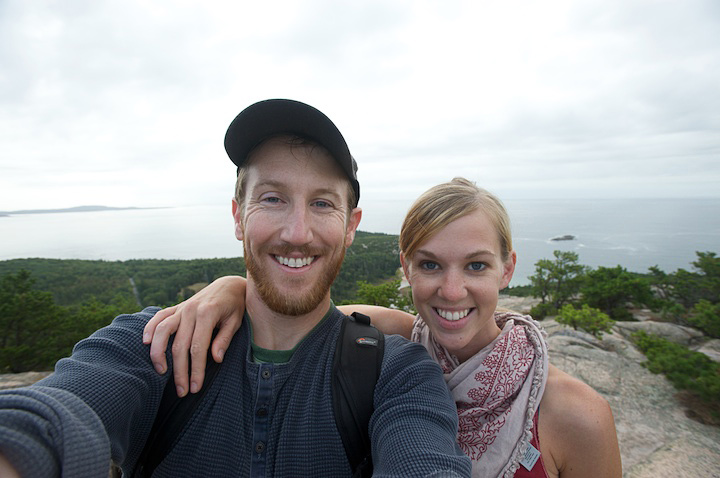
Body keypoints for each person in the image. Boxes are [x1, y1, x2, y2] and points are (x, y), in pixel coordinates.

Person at [0, 99, 472, 477]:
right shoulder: (157, 343)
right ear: (236, 215)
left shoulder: (397, 373)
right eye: (272, 198)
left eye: (322, 203)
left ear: (351, 227)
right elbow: (55, 412)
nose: (297, 232)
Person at [146, 177, 623, 477]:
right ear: (406, 269)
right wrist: (229, 287)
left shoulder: (574, 416)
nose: (452, 290)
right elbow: (290, 310)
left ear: (508, 268)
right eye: (431, 265)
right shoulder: (384, 337)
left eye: (476, 266)